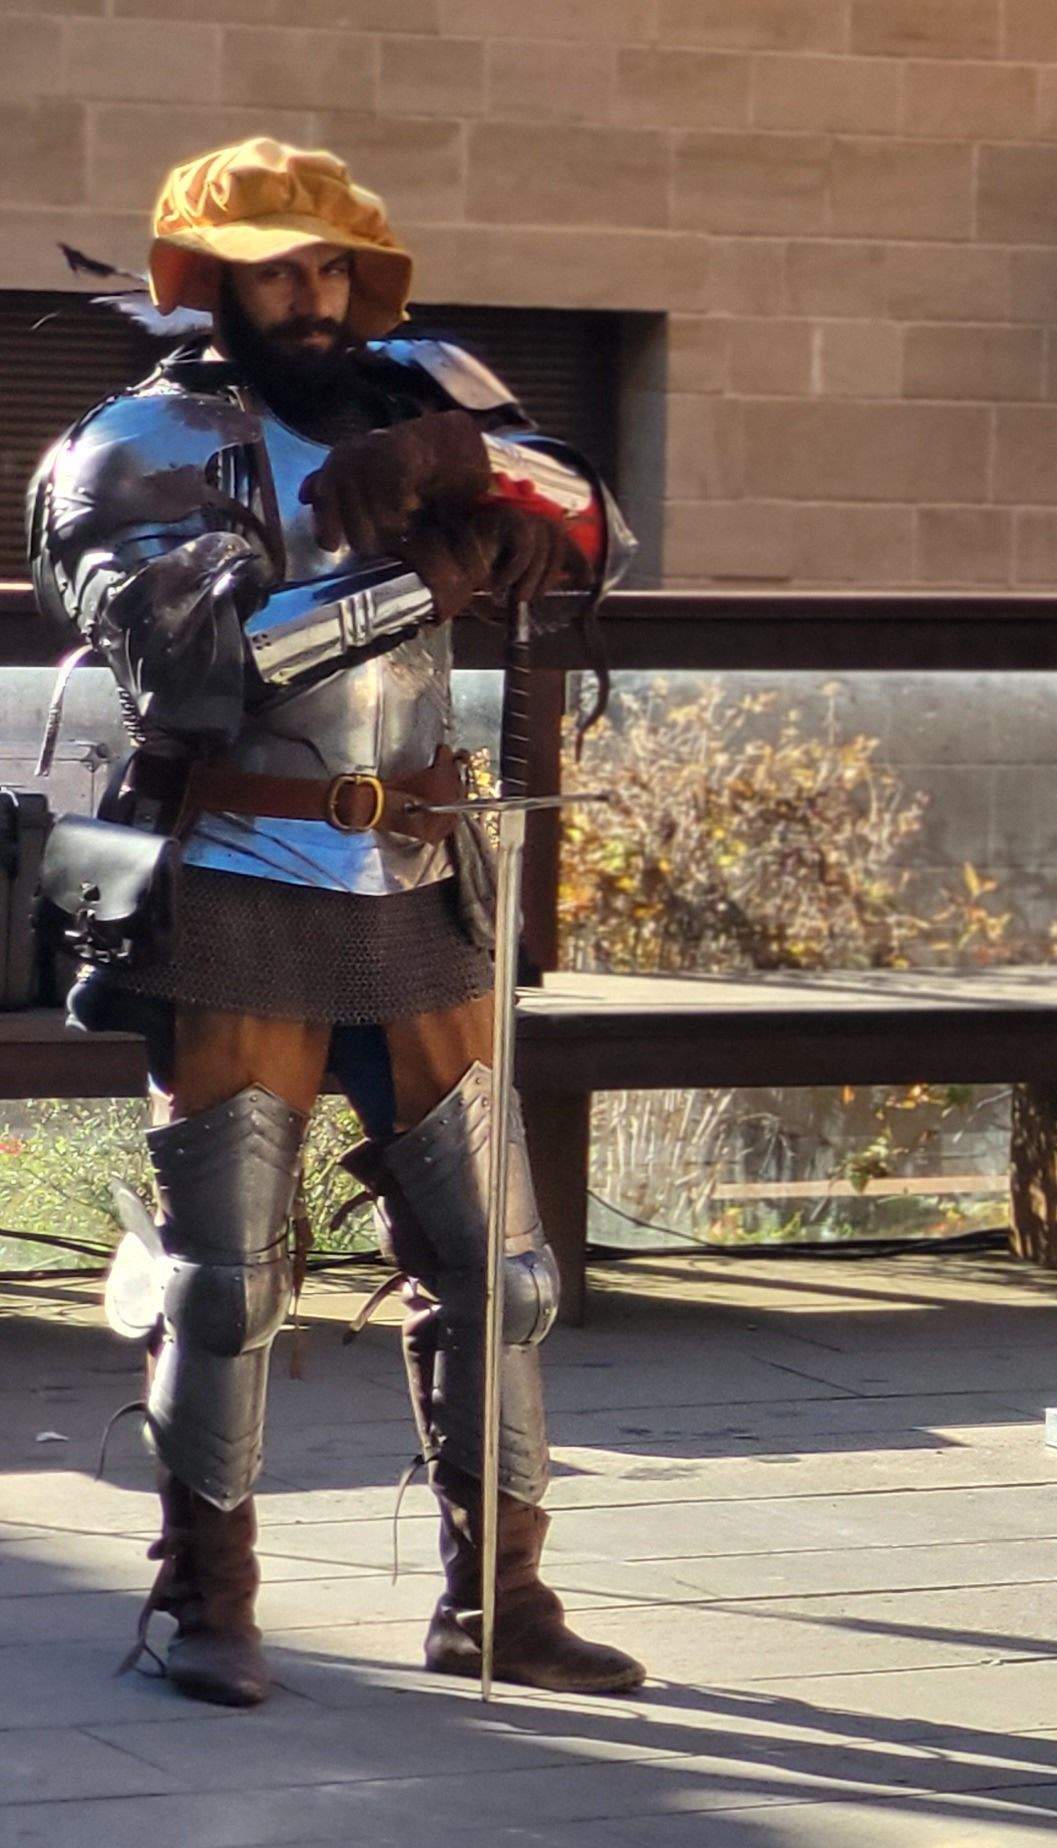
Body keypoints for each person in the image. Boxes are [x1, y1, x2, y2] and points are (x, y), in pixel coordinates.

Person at [26, 139, 643, 1704]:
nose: (307, 299)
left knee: (499, 1270)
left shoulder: (421, 389)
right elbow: (194, 670)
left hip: (423, 869)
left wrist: (485, 479)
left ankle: (499, 1599)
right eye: (272, 268)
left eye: (327, 268)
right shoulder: (138, 443)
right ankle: (208, 1599)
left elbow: (598, 528)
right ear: (207, 279)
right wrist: (419, 577)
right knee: (229, 1275)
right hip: (237, 864)